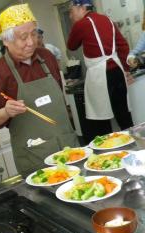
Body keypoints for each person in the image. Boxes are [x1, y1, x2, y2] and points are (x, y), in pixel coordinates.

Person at [0, 4, 79, 177]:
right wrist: (5, 112)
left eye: (34, 34)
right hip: (36, 160)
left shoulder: (47, 57)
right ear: (6, 41)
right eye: (23, 37)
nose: (31, 42)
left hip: (69, 149)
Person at [67, 0, 133, 138]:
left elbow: (71, 45)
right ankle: (135, 149)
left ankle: (108, 153)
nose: (70, 16)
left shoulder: (81, 24)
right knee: (124, 116)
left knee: (101, 119)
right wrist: (126, 69)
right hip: (117, 73)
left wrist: (76, 27)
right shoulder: (107, 20)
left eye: (71, 12)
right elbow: (123, 45)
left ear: (81, 7)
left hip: (99, 76)